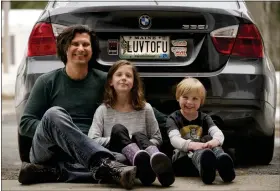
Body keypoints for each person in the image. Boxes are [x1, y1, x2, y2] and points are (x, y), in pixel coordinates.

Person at [17, 25, 137, 189]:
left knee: (124, 159)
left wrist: (177, 116)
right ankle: (102, 166)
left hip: (86, 149)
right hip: (50, 150)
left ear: (92, 50)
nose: (81, 48)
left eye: (86, 44)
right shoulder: (46, 82)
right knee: (54, 114)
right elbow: (25, 123)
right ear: (65, 48)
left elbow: (135, 104)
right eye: (75, 44)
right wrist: (61, 133)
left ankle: (55, 173)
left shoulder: (104, 81)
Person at [88, 60, 175, 187]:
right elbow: (92, 140)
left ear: (134, 83)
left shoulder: (146, 108)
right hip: (119, 159)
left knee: (139, 135)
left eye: (128, 76)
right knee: (118, 129)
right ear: (111, 82)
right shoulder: (103, 110)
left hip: (144, 155)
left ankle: (158, 167)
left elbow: (157, 138)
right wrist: (123, 140)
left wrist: (139, 145)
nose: (124, 78)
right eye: (119, 75)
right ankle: (141, 164)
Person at [166, 77, 235, 184]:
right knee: (202, 150)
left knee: (208, 138)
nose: (189, 102)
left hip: (204, 153)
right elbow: (174, 139)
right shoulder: (173, 118)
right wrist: (192, 145)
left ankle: (222, 163)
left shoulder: (204, 118)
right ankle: (207, 168)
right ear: (178, 98)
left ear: (201, 101)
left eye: (194, 98)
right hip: (183, 160)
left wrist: (215, 142)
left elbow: (218, 133)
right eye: (185, 97)